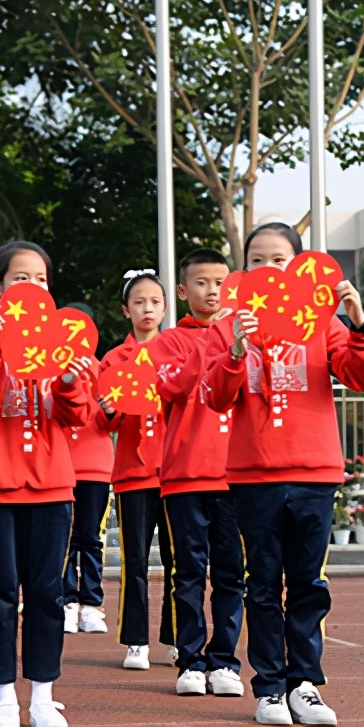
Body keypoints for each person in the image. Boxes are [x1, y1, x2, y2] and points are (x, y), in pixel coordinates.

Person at [204, 222, 364, 727]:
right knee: (261, 583)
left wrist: (358, 322)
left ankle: (305, 682)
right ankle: (270, 688)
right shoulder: (228, 323)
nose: (267, 269)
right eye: (256, 260)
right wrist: (237, 348)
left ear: (298, 266)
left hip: (315, 471)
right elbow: (216, 396)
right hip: (254, 474)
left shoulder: (323, 323)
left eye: (278, 259)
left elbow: (360, 376)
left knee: (308, 582)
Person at [0, 240, 92, 727]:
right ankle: (2, 695)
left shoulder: (65, 340)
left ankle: (43, 693)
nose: (31, 287)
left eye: (39, 279)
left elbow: (77, 415)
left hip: (52, 484)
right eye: (19, 278)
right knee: (2, 591)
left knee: (47, 591)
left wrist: (72, 383)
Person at [152, 248, 245, 698]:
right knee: (187, 571)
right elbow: (174, 385)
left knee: (231, 573)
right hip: (185, 474)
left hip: (237, 475)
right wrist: (218, 340)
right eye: (203, 283)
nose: (213, 292)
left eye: (221, 283)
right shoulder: (169, 342)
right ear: (183, 291)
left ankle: (225, 659)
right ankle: (190, 659)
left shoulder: (246, 336)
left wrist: (234, 337)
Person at [95, 269, 175, 670]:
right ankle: (136, 642)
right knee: (135, 560)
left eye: (155, 302)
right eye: (139, 302)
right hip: (132, 472)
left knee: (182, 562)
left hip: (176, 472)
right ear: (125, 309)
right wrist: (107, 410)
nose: (147, 309)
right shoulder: (113, 359)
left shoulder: (177, 353)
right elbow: (102, 423)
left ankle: (179, 636)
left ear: (165, 307)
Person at [61, 301, 113, 636]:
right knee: (64, 540)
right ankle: (66, 601)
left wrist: (110, 410)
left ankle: (91, 603)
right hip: (60, 467)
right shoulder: (51, 369)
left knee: (91, 538)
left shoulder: (103, 368)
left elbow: (117, 415)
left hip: (95, 466)